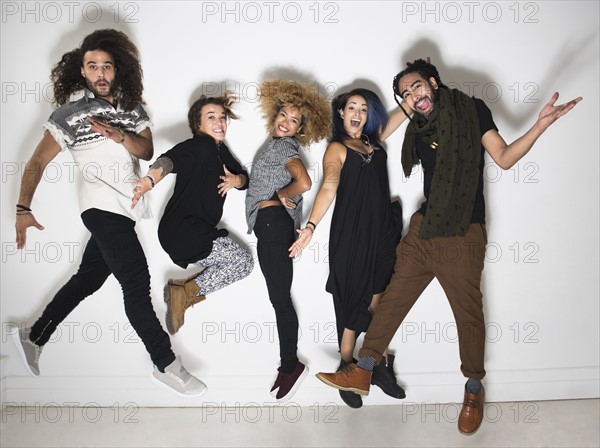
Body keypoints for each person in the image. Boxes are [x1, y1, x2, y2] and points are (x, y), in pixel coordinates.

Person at [315, 59, 582, 434]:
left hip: (463, 231)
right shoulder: (417, 126)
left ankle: (473, 389)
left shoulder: (471, 110)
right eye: (406, 94)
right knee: (392, 299)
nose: (413, 95)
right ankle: (364, 368)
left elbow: (503, 158)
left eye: (417, 87)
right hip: (425, 227)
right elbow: (365, 145)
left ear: (433, 83)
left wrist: (539, 126)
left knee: (467, 315)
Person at [11, 29, 206, 396]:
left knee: (89, 278)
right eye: (92, 66)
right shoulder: (69, 115)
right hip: (99, 208)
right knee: (135, 284)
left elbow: (146, 150)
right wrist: (23, 207)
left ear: (118, 70)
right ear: (81, 72)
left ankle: (33, 336)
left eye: (107, 66)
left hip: (125, 209)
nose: (100, 73)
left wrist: (118, 135)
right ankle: (166, 364)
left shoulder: (133, 110)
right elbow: (37, 161)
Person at [290, 88, 408, 408]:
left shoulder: (374, 141)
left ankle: (373, 366)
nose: (357, 112)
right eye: (351, 107)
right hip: (352, 234)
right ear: (341, 113)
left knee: (380, 299)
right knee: (353, 297)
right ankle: (348, 366)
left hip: (383, 230)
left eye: (364, 108)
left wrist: (412, 98)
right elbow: (329, 186)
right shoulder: (337, 148)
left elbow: (399, 117)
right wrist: (311, 227)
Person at [131, 93, 253, 335]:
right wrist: (148, 182)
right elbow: (170, 160)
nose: (220, 122)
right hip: (182, 229)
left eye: (223, 117)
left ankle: (183, 292)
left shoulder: (220, 150)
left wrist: (236, 179)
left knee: (242, 264)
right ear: (198, 125)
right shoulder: (199, 146)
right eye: (211, 117)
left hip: (187, 231)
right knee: (242, 262)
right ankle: (182, 293)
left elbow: (245, 180)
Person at [245, 79, 330, 402]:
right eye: (284, 115)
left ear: (301, 128)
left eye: (295, 120)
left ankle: (290, 365)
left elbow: (305, 182)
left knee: (279, 299)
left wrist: (283, 194)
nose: (286, 122)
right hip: (273, 225)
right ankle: (288, 364)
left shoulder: (284, 147)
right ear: (275, 114)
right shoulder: (275, 145)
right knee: (280, 298)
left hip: (272, 224)